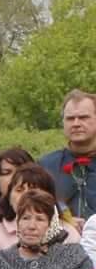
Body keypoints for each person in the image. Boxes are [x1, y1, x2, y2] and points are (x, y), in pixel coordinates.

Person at [0, 164, 80, 250]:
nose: (26, 196)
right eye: (19, 190)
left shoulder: (69, 234)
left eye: (33, 190)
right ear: (9, 197)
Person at [39, 88, 96, 221]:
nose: (76, 124)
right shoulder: (46, 166)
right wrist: (62, 223)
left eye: (83, 117)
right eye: (70, 118)